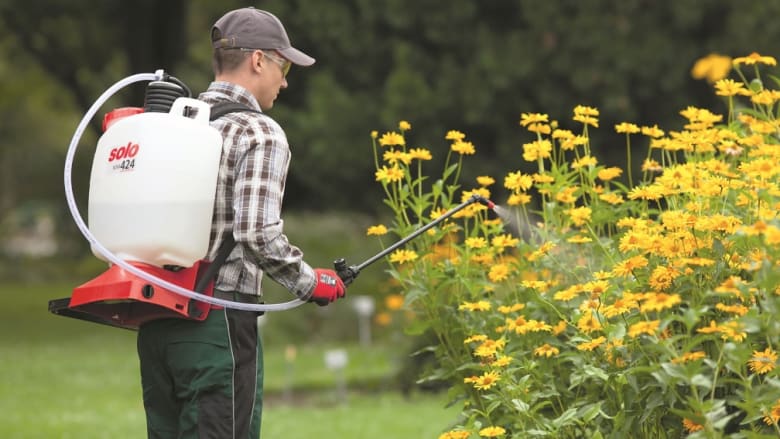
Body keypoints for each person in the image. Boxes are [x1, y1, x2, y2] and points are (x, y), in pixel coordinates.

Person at [136, 7, 347, 438]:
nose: (284, 81)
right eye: (284, 66)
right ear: (258, 61)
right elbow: (257, 234)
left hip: (156, 322)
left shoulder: (171, 127)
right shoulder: (258, 132)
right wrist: (311, 283)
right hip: (217, 323)